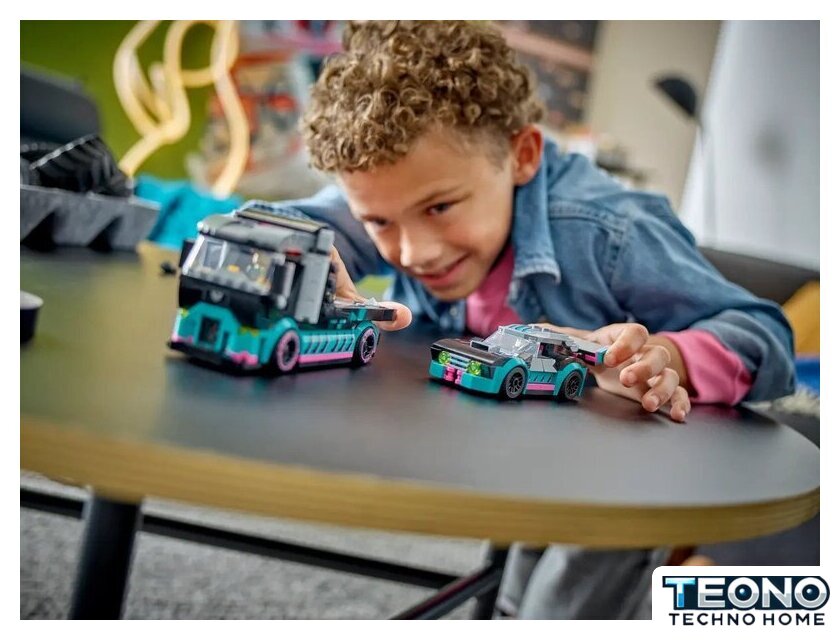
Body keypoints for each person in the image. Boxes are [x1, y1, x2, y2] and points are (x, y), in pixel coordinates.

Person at [261, 21, 795, 618]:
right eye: (380, 223)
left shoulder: (609, 232)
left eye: (440, 208)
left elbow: (764, 334)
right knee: (512, 593)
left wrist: (665, 357)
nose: (415, 251)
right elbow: (303, 227)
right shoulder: (399, 182)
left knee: (557, 609)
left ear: (522, 156)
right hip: (532, 444)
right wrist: (295, 251)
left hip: (625, 471)